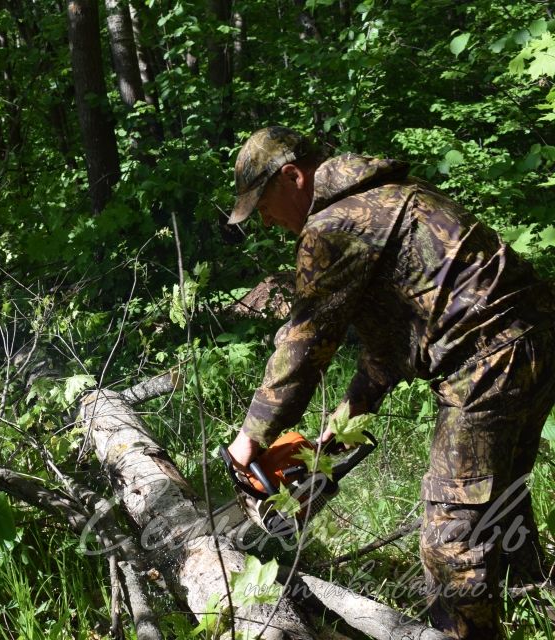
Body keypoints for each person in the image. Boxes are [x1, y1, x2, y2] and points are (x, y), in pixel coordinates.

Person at [221, 125, 555, 638]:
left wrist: (250, 439)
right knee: (503, 501)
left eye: (263, 203)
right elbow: (391, 344)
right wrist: (342, 426)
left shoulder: (333, 226)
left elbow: (304, 345)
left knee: (451, 543)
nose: (266, 220)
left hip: (485, 361)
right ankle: (535, 604)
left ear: (292, 177)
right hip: (534, 339)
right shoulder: (396, 196)